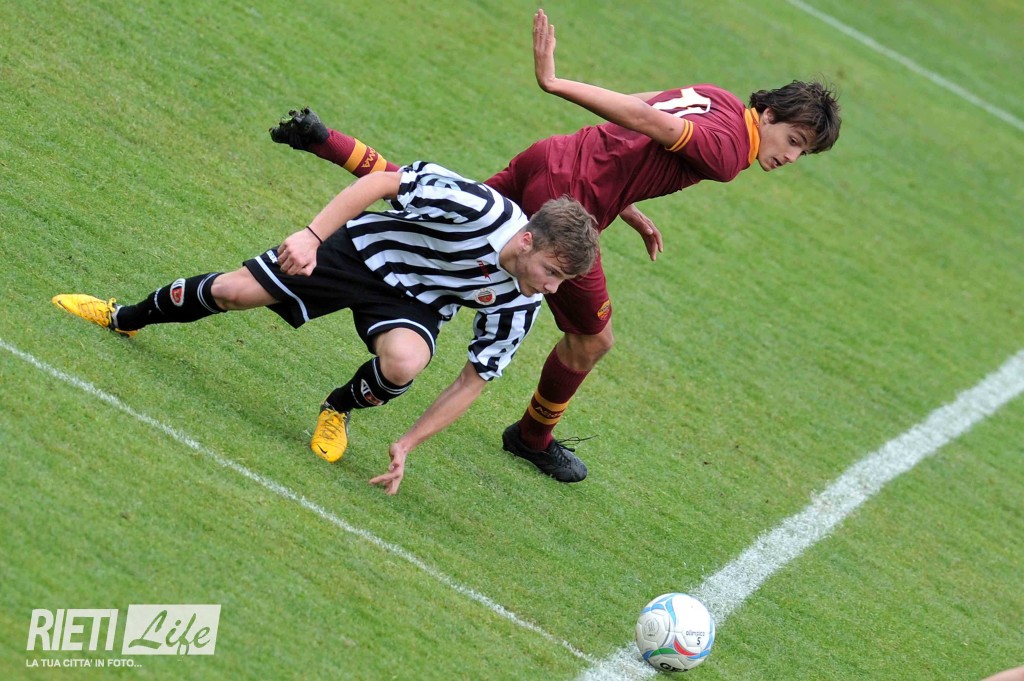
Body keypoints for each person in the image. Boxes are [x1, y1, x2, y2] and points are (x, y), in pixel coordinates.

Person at [268, 8, 842, 484]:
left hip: (552, 157)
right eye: (792, 139)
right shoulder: (728, 152)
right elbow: (647, 119)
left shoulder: (720, 99)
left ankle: (328, 141)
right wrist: (554, 81)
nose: (790, 157)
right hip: (572, 198)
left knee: (445, 209)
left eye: (803, 152)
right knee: (593, 338)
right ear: (769, 114)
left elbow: (632, 123)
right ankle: (531, 437)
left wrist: (628, 205)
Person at [52, 160, 599, 495]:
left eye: (562, 281)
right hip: (357, 252)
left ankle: (337, 409)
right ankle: (123, 317)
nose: (552, 289)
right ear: (526, 240)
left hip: (414, 303)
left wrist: (408, 442)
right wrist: (311, 236)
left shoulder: (522, 302)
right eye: (552, 273)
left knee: (406, 361)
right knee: (233, 292)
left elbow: (473, 380)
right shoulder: (478, 208)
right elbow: (381, 182)